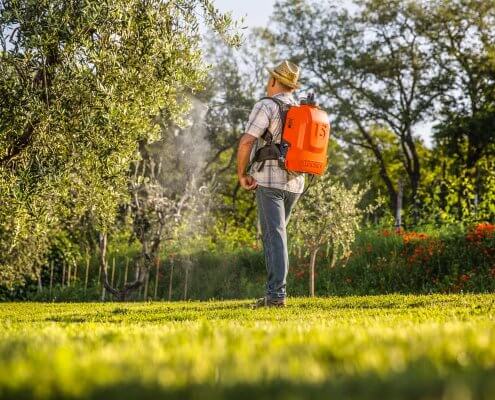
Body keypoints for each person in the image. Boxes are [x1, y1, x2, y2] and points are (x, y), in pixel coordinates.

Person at [236, 60, 304, 308]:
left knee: (275, 238)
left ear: (274, 81)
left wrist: (241, 173)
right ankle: (274, 293)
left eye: (269, 79)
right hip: (295, 183)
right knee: (278, 238)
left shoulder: (266, 105)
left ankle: (276, 296)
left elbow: (246, 142)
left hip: (269, 181)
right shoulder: (301, 110)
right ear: (293, 86)